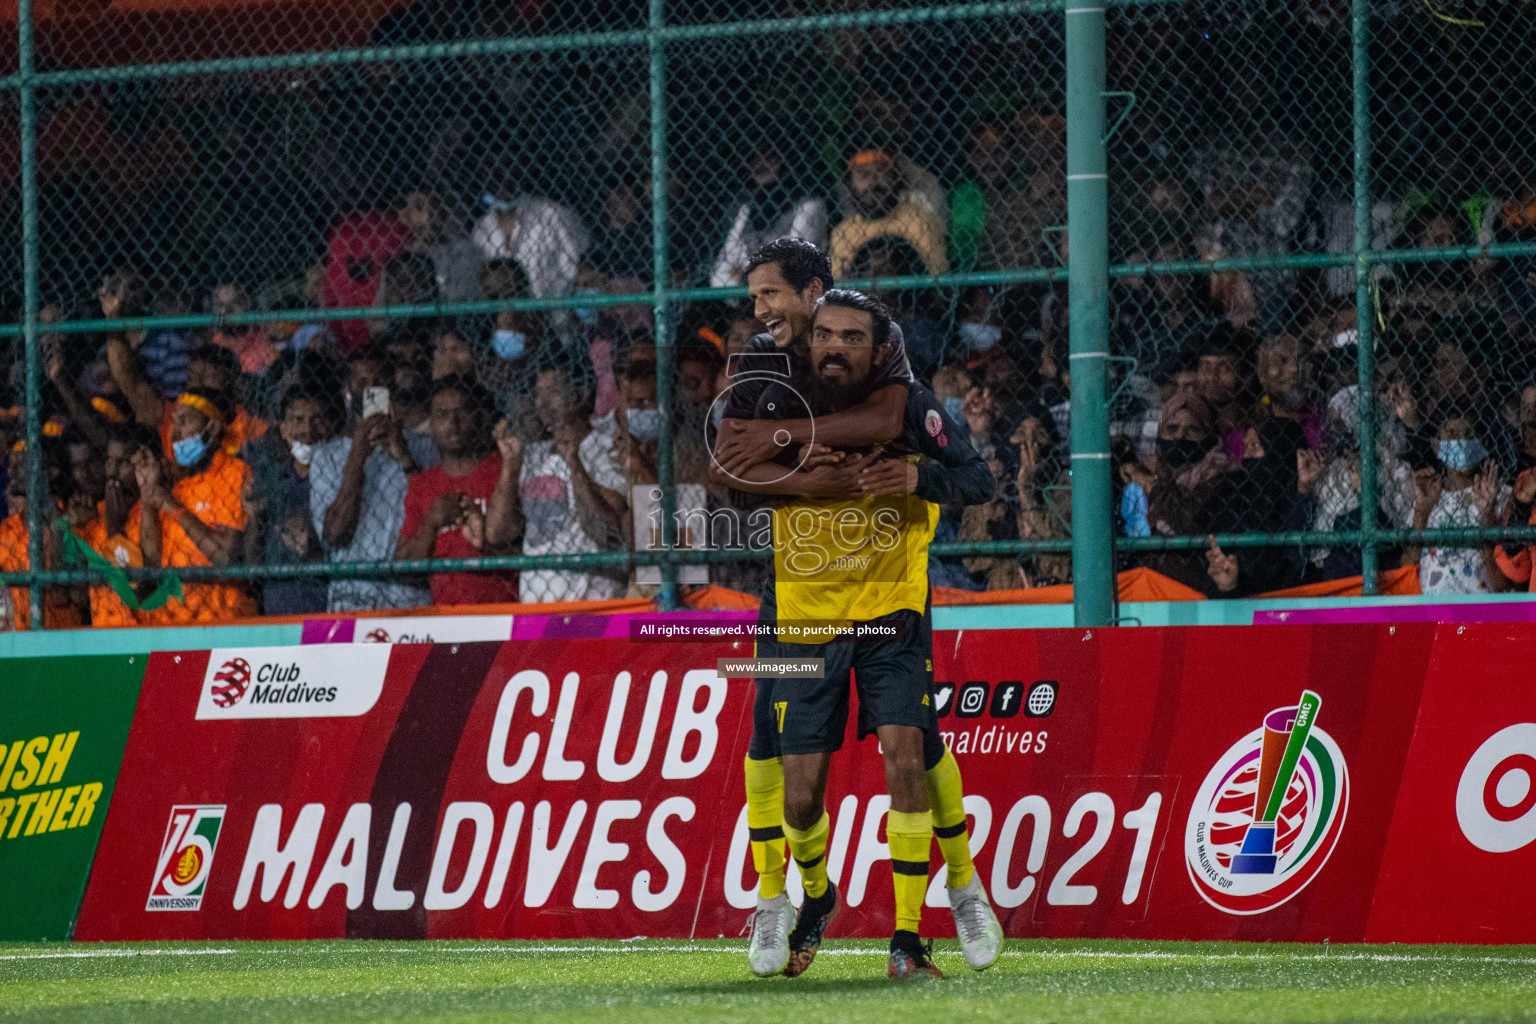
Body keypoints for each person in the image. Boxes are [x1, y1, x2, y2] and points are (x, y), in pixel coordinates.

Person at [722, 290, 1000, 980]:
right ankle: (814, 895)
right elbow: (732, 485)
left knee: (907, 754)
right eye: (824, 335)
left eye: (851, 337)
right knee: (800, 798)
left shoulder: (909, 408)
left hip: (890, 613)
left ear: (879, 351)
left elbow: (980, 479)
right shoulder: (779, 402)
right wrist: (797, 482)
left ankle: (912, 935)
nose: (834, 347)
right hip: (805, 615)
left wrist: (917, 476)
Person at [309, 346, 439, 612]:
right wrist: (358, 452)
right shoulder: (327, 456)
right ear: (348, 390)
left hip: (406, 598)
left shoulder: (425, 448)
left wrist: (404, 455)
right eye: (361, 383)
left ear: (391, 388)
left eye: (379, 383)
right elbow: (335, 534)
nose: (370, 390)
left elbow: (433, 515)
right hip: (351, 597)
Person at [488, 357, 626, 603]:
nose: (542, 404)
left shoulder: (608, 449)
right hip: (537, 608)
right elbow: (498, 533)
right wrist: (510, 464)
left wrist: (574, 465)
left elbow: (608, 534)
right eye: (539, 394)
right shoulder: (533, 454)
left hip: (593, 605)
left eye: (554, 392)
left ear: (582, 393)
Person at [133, 388, 257, 623]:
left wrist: (172, 508)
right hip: (174, 621)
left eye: (185, 421)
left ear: (213, 427)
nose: (176, 433)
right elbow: (150, 563)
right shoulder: (180, 488)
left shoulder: (235, 473)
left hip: (223, 620)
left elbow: (226, 559)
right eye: (173, 424)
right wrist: (148, 495)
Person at [396, 376, 519, 605]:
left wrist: (486, 548)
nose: (453, 423)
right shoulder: (423, 484)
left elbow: (526, 550)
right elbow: (403, 568)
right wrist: (431, 522)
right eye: (442, 415)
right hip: (445, 619)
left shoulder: (503, 468)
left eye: (462, 412)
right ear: (430, 423)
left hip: (503, 614)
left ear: (477, 416)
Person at [241, 382, 338, 615]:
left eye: (317, 420)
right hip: (277, 617)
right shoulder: (271, 482)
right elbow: (252, 567)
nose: (307, 430)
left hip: (324, 615)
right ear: (283, 429)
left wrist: (312, 547)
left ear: (330, 427)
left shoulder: (339, 482)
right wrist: (255, 519)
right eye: (298, 420)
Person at [1408, 409, 1509, 595]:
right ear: (1436, 444)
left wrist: (1487, 517)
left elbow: (1505, 583)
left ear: (1483, 444)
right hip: (1432, 612)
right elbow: (1407, 569)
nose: (1461, 443)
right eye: (1452, 434)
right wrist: (1421, 512)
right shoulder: (1429, 495)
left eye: (1470, 435)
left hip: (1481, 610)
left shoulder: (1501, 495)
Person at [708, 137, 829, 288]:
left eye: (769, 158)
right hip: (746, 302)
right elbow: (719, 277)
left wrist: (743, 273)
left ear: (785, 160)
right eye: (754, 158)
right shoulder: (746, 210)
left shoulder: (808, 205)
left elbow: (792, 270)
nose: (760, 165)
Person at [78, 423, 159, 627]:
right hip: (102, 634)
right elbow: (76, 593)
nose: (112, 471)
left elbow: (138, 589)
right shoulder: (94, 516)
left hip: (141, 634)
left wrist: (115, 529)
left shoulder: (153, 513)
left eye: (122, 463)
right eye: (109, 461)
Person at [829, 148, 948, 280]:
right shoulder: (842, 233)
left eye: (880, 172)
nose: (873, 182)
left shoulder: (920, 220)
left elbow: (937, 286)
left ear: (894, 176)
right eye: (864, 174)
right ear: (851, 183)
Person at [398, 188, 484, 303]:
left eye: (419, 207)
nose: (409, 216)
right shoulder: (408, 254)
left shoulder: (463, 252)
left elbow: (459, 304)